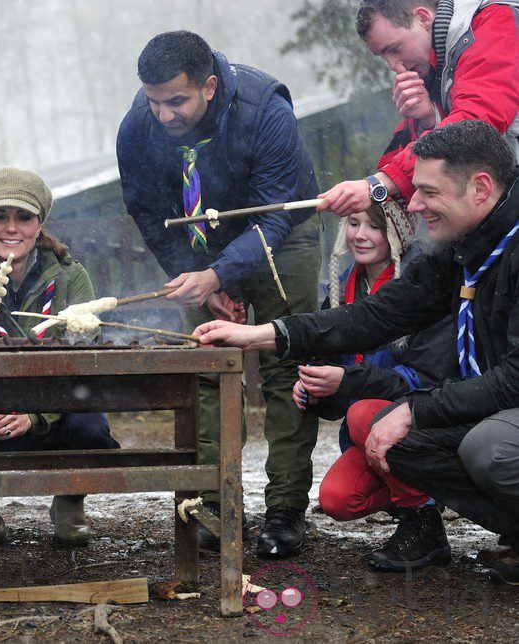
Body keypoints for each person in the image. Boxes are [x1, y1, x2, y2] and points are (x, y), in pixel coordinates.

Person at [194, 120, 519, 585]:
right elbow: (377, 316)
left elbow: (514, 378)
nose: (416, 205)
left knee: (488, 448)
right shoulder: (465, 246)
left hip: (509, 409)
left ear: (480, 187)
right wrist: (263, 335)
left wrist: (416, 408)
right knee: (401, 442)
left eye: (427, 192)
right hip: (497, 406)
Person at [116, 30, 322, 557]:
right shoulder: (137, 129)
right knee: (209, 368)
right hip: (199, 246)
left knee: (284, 364)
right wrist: (199, 280)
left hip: (282, 232)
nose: (163, 115)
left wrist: (221, 274)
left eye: (176, 101)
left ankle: (285, 509)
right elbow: (148, 214)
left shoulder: (266, 109)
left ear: (208, 86)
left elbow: (273, 215)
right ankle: (213, 504)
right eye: (153, 101)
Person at [0, 166, 120, 546]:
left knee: (90, 424)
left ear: (39, 224)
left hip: (52, 408)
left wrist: (35, 415)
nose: (11, 228)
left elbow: (82, 355)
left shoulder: (70, 277)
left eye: (23, 217)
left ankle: (70, 500)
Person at [301, 199, 457, 570]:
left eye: (374, 226)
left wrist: (346, 382)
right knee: (338, 498)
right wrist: (315, 390)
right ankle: (414, 499)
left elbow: (423, 381)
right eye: (353, 224)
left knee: (360, 413)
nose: (360, 235)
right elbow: (335, 390)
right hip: (366, 428)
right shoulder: (341, 291)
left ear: (397, 232)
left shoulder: (423, 287)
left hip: (425, 421)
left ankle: (424, 517)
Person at [317, 0, 519, 217]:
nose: (393, 65)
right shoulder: (438, 64)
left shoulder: (495, 20)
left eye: (394, 49)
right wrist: (430, 118)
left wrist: (378, 185)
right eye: (383, 56)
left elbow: (474, 126)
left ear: (423, 18)